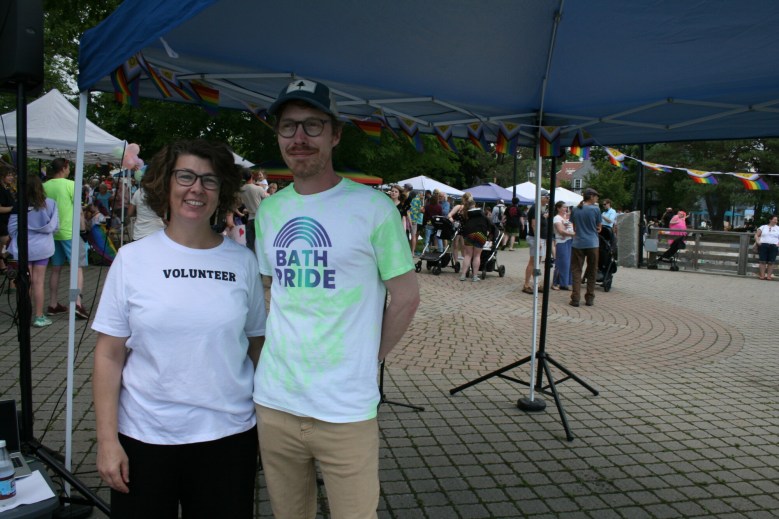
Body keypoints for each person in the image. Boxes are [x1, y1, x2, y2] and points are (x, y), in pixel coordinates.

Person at [253, 79, 419, 519]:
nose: (299, 138)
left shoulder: (374, 208)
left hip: (345, 407)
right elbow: (271, 287)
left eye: (313, 125)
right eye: (289, 126)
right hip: (275, 401)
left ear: (335, 134)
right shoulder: (269, 211)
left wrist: (369, 356)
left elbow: (406, 298)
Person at [91, 139, 266, 518]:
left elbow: (257, 346)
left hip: (228, 436)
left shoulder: (243, 262)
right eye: (185, 176)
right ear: (165, 183)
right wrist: (106, 441)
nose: (196, 189)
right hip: (144, 437)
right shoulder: (132, 259)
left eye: (209, 180)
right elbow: (108, 354)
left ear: (222, 190)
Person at [8, 174, 59, 327]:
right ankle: (39, 316)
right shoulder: (50, 203)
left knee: (25, 283)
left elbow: (11, 229)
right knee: (38, 282)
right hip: (43, 247)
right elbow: (55, 227)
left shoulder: (18, 205)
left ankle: (24, 316)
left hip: (24, 248)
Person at [42, 158, 89, 320]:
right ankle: (76, 303)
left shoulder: (45, 186)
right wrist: (83, 230)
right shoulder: (71, 185)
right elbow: (79, 211)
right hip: (70, 232)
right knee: (77, 269)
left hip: (52, 233)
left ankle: (53, 304)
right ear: (63, 168)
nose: (69, 170)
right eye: (68, 167)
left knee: (56, 269)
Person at [569, 188, 602, 307]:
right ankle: (589, 298)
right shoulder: (596, 209)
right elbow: (599, 227)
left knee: (576, 270)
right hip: (592, 243)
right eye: (596, 196)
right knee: (592, 270)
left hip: (578, 243)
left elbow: (574, 227)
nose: (597, 198)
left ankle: (575, 298)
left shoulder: (575, 209)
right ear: (591, 196)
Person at [457, 193, 491, 282]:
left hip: (469, 233)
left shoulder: (466, 214)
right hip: (481, 234)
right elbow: (489, 223)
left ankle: (463, 275)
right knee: (477, 255)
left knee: (468, 255)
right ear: (475, 204)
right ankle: (475, 276)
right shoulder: (481, 213)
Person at [523, 190, 550, 294]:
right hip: (536, 238)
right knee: (533, 261)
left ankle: (536, 283)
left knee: (537, 262)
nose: (547, 200)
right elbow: (534, 225)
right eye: (546, 198)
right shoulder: (535, 208)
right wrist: (537, 239)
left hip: (540, 238)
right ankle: (526, 284)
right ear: (541, 197)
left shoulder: (540, 209)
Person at [239, 168, 266, 252]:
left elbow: (241, 203)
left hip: (250, 219)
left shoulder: (241, 190)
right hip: (259, 219)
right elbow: (269, 198)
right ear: (251, 176)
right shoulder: (258, 188)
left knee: (250, 246)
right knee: (262, 245)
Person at [552, 201, 575, 291]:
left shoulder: (566, 217)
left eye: (566, 207)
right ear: (558, 208)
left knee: (569, 263)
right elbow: (561, 231)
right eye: (564, 207)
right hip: (561, 242)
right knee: (562, 263)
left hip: (569, 241)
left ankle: (565, 283)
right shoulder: (556, 218)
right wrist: (574, 234)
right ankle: (555, 283)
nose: (566, 209)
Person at [0, 167, 16, 276]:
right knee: (5, 243)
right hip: (2, 222)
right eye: (8, 175)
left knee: (5, 244)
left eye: (12, 175)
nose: (11, 177)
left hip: (7, 221)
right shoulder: (1, 190)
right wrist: (13, 208)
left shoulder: (7, 188)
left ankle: (3, 264)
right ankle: (2, 264)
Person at [754, 215, 779, 280]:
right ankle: (762, 276)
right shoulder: (763, 227)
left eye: (776, 220)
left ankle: (769, 276)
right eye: (775, 219)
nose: (776, 221)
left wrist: (778, 244)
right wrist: (758, 242)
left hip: (774, 246)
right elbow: (756, 235)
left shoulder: (778, 228)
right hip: (763, 245)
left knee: (771, 262)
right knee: (762, 261)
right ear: (770, 220)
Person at [406, 186, 424, 255]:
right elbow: (420, 210)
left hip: (407, 219)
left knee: (406, 235)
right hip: (414, 220)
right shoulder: (418, 200)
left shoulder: (408, 198)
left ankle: (406, 251)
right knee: (413, 236)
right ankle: (412, 252)